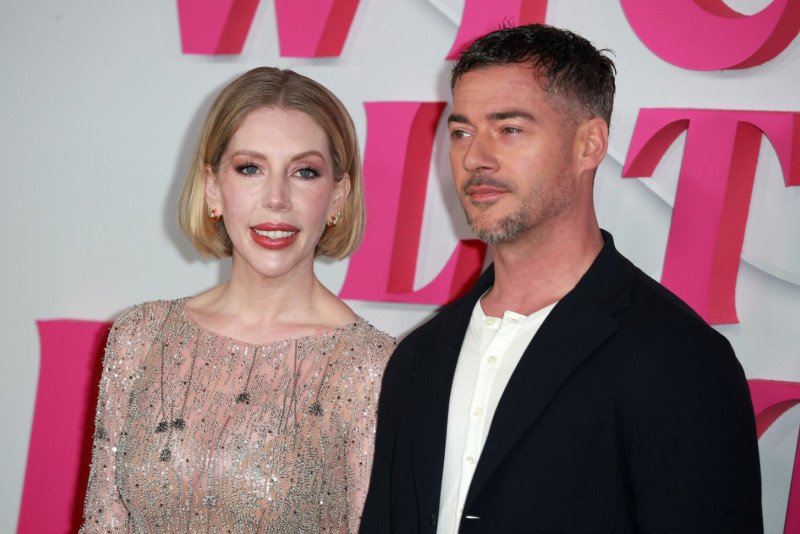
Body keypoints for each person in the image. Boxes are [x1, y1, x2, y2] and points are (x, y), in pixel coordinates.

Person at [360, 24, 762, 533]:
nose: (475, 158)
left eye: (510, 129)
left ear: (589, 144)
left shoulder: (678, 359)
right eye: (461, 131)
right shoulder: (419, 358)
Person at [80, 67, 395, 533]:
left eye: (304, 172)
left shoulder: (372, 368)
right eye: (250, 168)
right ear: (213, 188)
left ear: (337, 197)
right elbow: (104, 521)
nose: (276, 199)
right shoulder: (141, 337)